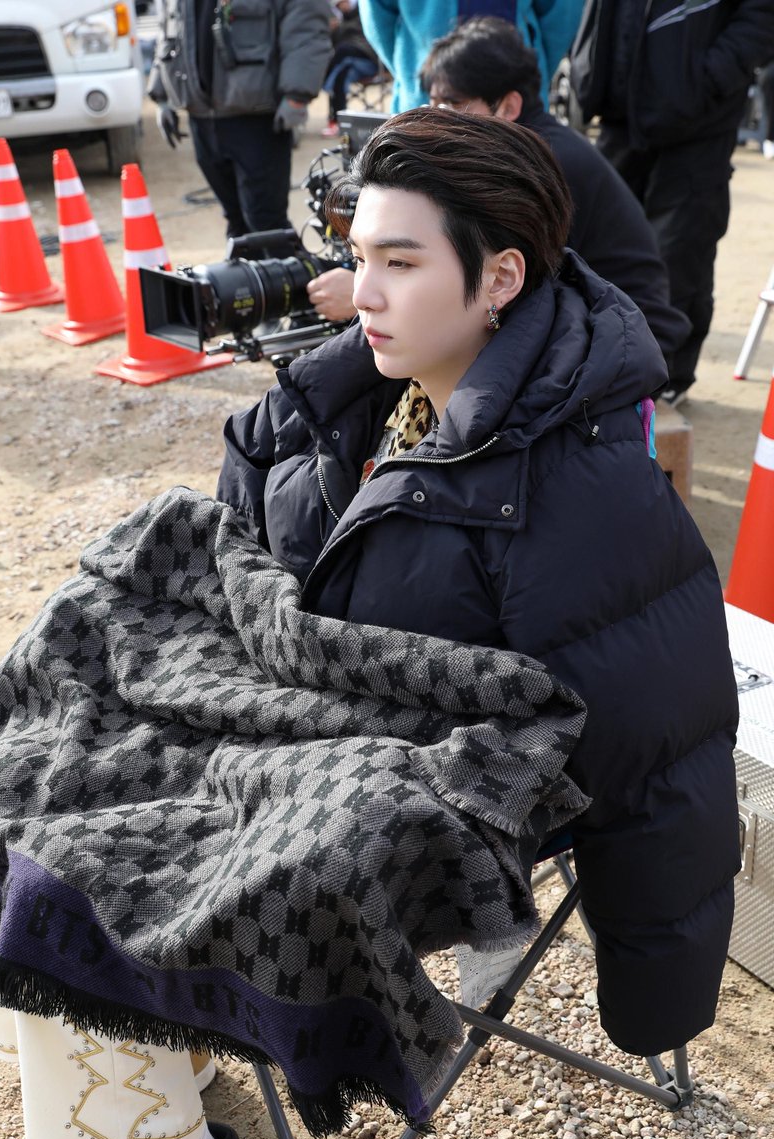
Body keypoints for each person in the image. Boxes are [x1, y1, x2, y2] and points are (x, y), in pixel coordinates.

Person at [219, 107, 740, 1064]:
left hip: (395, 797)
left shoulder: (580, 492)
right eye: (358, 256)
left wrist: (654, 993)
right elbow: (242, 496)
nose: (361, 293)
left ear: (500, 278)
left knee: (92, 884)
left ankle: (148, 1123)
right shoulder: (361, 385)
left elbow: (662, 752)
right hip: (271, 723)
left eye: (400, 262)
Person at [308, 14, 691, 371]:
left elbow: (519, 296)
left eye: (454, 103)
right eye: (434, 101)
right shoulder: (522, 151)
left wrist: (375, 302)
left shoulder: (540, 165)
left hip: (624, 338)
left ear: (508, 105)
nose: (439, 115)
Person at [570, 0, 774, 407]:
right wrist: (585, 69)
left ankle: (666, 376)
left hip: (697, 123)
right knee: (599, 247)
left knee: (680, 249)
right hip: (619, 113)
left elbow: (761, 13)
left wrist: (710, 75)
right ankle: (602, 364)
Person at [147, 0, 332, 237]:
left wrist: (297, 95)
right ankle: (245, 258)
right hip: (202, 115)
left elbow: (306, 27)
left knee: (266, 220)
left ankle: (280, 261)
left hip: (257, 117)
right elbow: (168, 27)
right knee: (235, 217)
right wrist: (161, 94)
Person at [358, 0, 583, 112]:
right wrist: (415, 69)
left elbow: (562, 15)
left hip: (514, 102)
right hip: (425, 100)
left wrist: (530, 73)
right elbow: (378, 17)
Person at [322, 1, 379, 138]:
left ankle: (324, 81)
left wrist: (340, 26)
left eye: (340, 4)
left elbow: (359, 38)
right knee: (339, 75)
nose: (340, 8)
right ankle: (336, 121)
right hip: (349, 63)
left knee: (342, 51)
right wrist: (333, 30)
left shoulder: (365, 9)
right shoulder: (341, 17)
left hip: (369, 60)